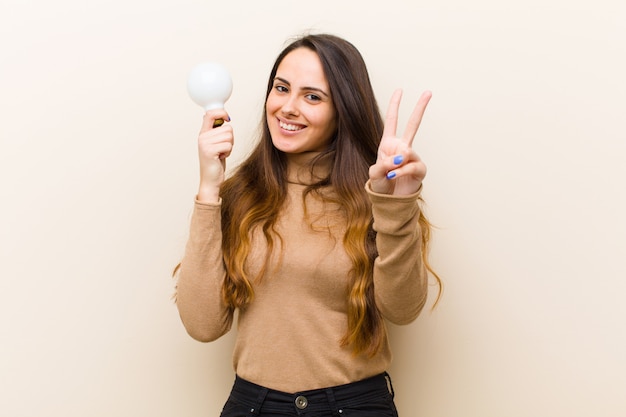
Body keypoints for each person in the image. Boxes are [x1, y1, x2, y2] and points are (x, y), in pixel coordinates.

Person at [174, 33, 441, 417]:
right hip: (253, 405)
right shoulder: (240, 195)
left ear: (343, 110)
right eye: (281, 89)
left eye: (312, 96)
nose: (288, 107)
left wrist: (396, 203)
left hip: (353, 405)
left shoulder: (375, 195)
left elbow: (402, 310)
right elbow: (203, 325)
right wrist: (209, 188)